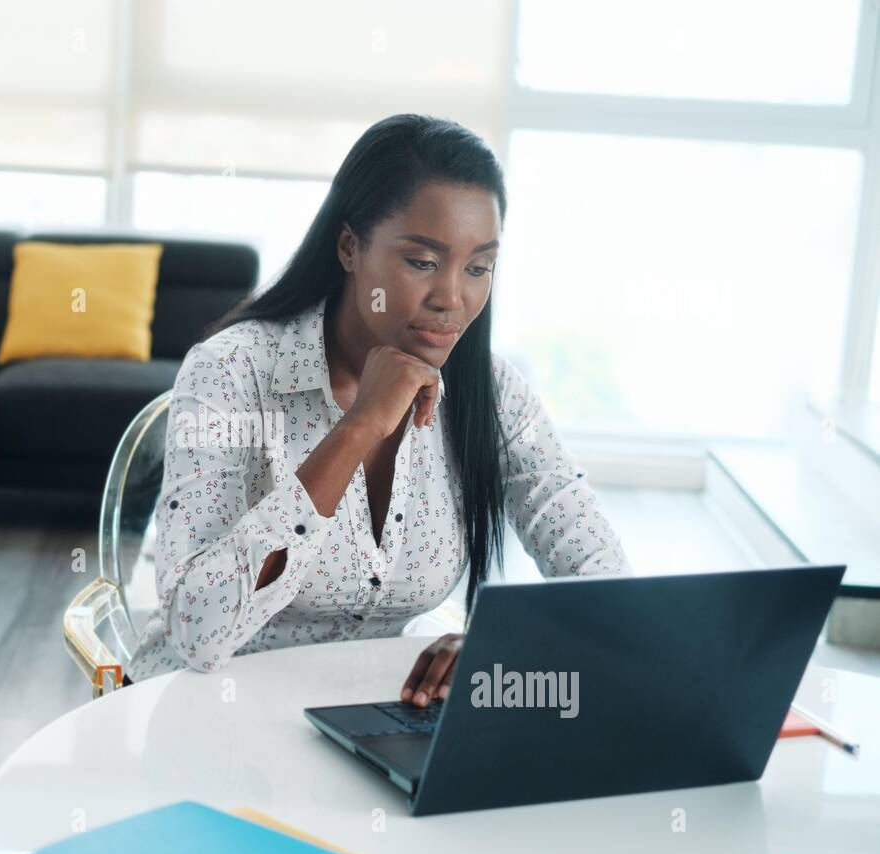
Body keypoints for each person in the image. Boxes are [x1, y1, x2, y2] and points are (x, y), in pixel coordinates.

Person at [125, 113, 633, 704]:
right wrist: (359, 427)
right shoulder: (233, 371)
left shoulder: (493, 393)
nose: (451, 298)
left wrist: (509, 646)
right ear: (350, 247)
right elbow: (198, 633)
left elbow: (605, 587)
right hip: (205, 710)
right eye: (422, 262)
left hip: (365, 716)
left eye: (478, 267)